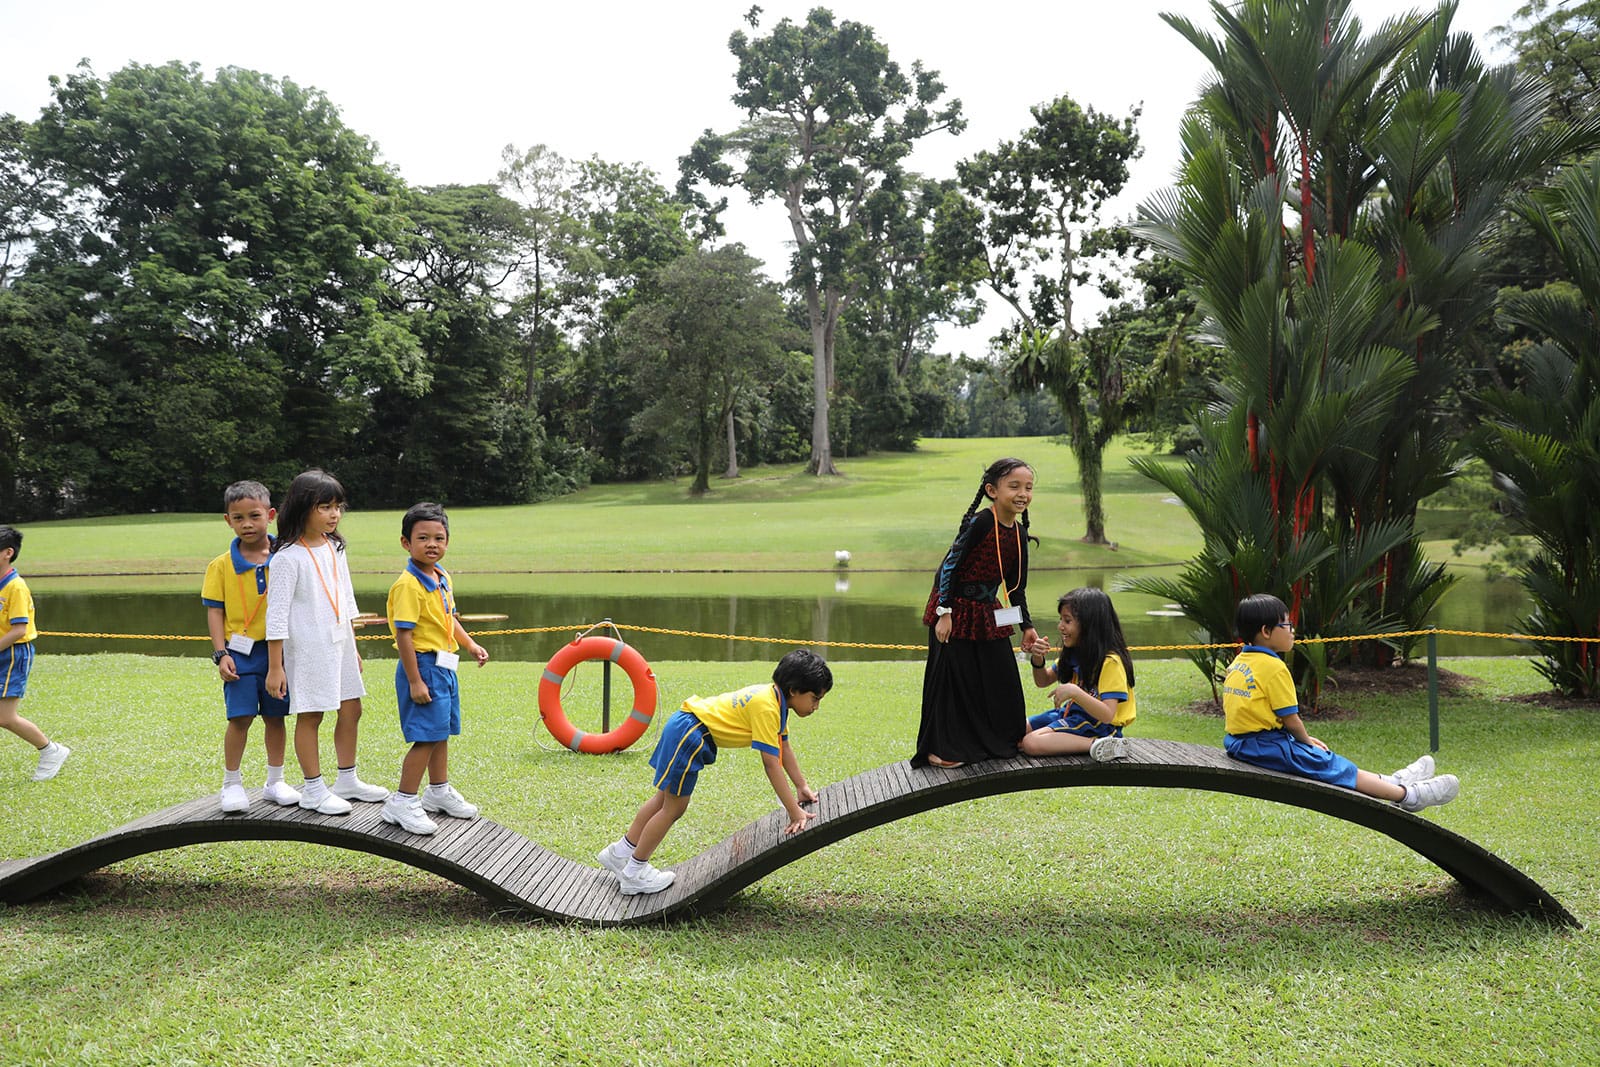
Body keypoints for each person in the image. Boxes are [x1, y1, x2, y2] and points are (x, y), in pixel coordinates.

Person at [598, 649, 832, 896]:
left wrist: (801, 785)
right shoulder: (767, 708)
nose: (816, 706)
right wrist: (794, 812)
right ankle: (634, 873)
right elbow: (771, 764)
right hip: (690, 735)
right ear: (794, 690)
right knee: (673, 808)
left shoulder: (773, 700)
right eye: (815, 698)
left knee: (662, 801)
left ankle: (619, 853)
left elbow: (783, 745)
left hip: (684, 726)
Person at [1222, 593, 1458, 812]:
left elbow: (1253, 713)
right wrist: (1305, 742)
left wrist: (1303, 742)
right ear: (1266, 630)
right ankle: (1407, 795)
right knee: (1331, 765)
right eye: (1287, 625)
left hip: (1241, 743)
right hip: (1264, 748)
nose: (1293, 631)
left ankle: (1391, 780)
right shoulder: (1273, 668)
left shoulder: (1241, 661)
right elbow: (1291, 720)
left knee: (1327, 759)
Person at [264, 469, 388, 815]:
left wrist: (354, 647)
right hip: (308, 647)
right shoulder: (288, 557)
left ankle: (347, 778)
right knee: (311, 714)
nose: (334, 514)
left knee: (352, 707)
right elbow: (275, 616)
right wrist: (276, 667)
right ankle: (313, 789)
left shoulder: (336, 546)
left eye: (339, 507)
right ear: (304, 507)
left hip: (340, 642)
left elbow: (346, 599)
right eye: (325, 507)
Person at [913, 457, 1049, 768]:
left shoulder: (1019, 534)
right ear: (992, 490)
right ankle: (940, 750)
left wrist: (1026, 626)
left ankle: (1001, 740)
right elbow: (948, 567)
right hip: (954, 609)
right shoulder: (981, 523)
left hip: (989, 612)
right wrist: (943, 612)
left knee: (1001, 677)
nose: (1022, 494)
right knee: (953, 683)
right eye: (1014, 486)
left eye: (1028, 488)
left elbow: (1016, 589)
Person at [381, 502, 489, 836]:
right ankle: (403, 801)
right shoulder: (408, 586)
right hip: (423, 667)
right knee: (425, 738)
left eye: (439, 538)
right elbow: (404, 636)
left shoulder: (441, 577)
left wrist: (470, 645)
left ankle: (438, 791)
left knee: (441, 733)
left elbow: (448, 620)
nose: (432, 544)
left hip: (444, 667)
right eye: (423, 537)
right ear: (406, 543)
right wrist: (415, 680)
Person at [202, 481, 300, 813]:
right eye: (238, 517)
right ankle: (231, 784)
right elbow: (215, 611)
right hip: (239, 653)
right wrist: (221, 653)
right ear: (227, 520)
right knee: (240, 717)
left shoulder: (286, 557)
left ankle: (276, 781)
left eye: (254, 516)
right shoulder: (220, 565)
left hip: (279, 653)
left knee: (276, 717)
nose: (247, 524)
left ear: (270, 515)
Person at [1020, 587, 1137, 760]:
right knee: (1015, 732)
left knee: (1030, 743)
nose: (1060, 626)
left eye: (1067, 621)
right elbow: (1043, 681)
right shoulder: (1075, 652)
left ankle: (1102, 744)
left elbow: (1107, 715)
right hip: (1072, 715)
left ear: (1090, 624)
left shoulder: (1110, 662)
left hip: (1098, 726)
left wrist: (1074, 692)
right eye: (1061, 619)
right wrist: (1038, 658)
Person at [0, 525, 69, 781]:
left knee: (5, 718)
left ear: (8, 553)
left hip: (13, 654)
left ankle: (51, 750)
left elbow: (19, 629)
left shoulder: (15, 587)